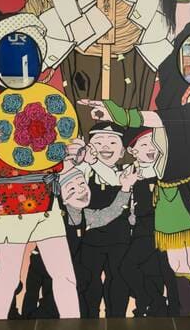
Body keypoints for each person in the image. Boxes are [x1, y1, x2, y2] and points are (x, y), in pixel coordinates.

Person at [80, 17, 190, 316]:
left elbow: (177, 121)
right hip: (168, 198)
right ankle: (185, 315)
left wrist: (123, 115)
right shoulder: (179, 92)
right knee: (178, 263)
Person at [0, 8, 79, 319]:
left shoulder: (48, 99)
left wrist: (73, 156)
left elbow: (57, 156)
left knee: (64, 274)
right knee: (9, 275)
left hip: (47, 201)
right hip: (7, 205)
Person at [66, 123, 132, 317]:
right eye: (98, 141)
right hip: (89, 237)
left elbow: (115, 180)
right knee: (88, 281)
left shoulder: (126, 170)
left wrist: (93, 161)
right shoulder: (83, 171)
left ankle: (117, 318)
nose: (105, 146)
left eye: (112, 142)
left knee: (118, 280)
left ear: (122, 151)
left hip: (119, 236)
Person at [59, 165, 139, 317]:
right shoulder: (56, 218)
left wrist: (126, 187)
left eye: (82, 183)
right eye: (71, 189)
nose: (80, 190)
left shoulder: (86, 215)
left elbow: (110, 212)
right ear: (62, 197)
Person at [120, 127, 179, 317]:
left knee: (166, 271)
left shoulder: (167, 171)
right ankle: (154, 303)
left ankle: (167, 307)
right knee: (139, 268)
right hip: (141, 230)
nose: (151, 147)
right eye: (144, 144)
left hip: (165, 229)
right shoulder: (128, 173)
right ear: (132, 150)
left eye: (154, 142)